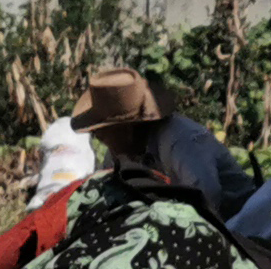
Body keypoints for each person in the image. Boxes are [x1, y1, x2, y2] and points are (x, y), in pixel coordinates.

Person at [72, 65, 252, 218]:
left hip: (237, 222)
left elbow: (207, 200)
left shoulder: (181, 141)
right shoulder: (118, 152)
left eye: (102, 133)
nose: (97, 137)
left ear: (125, 129)